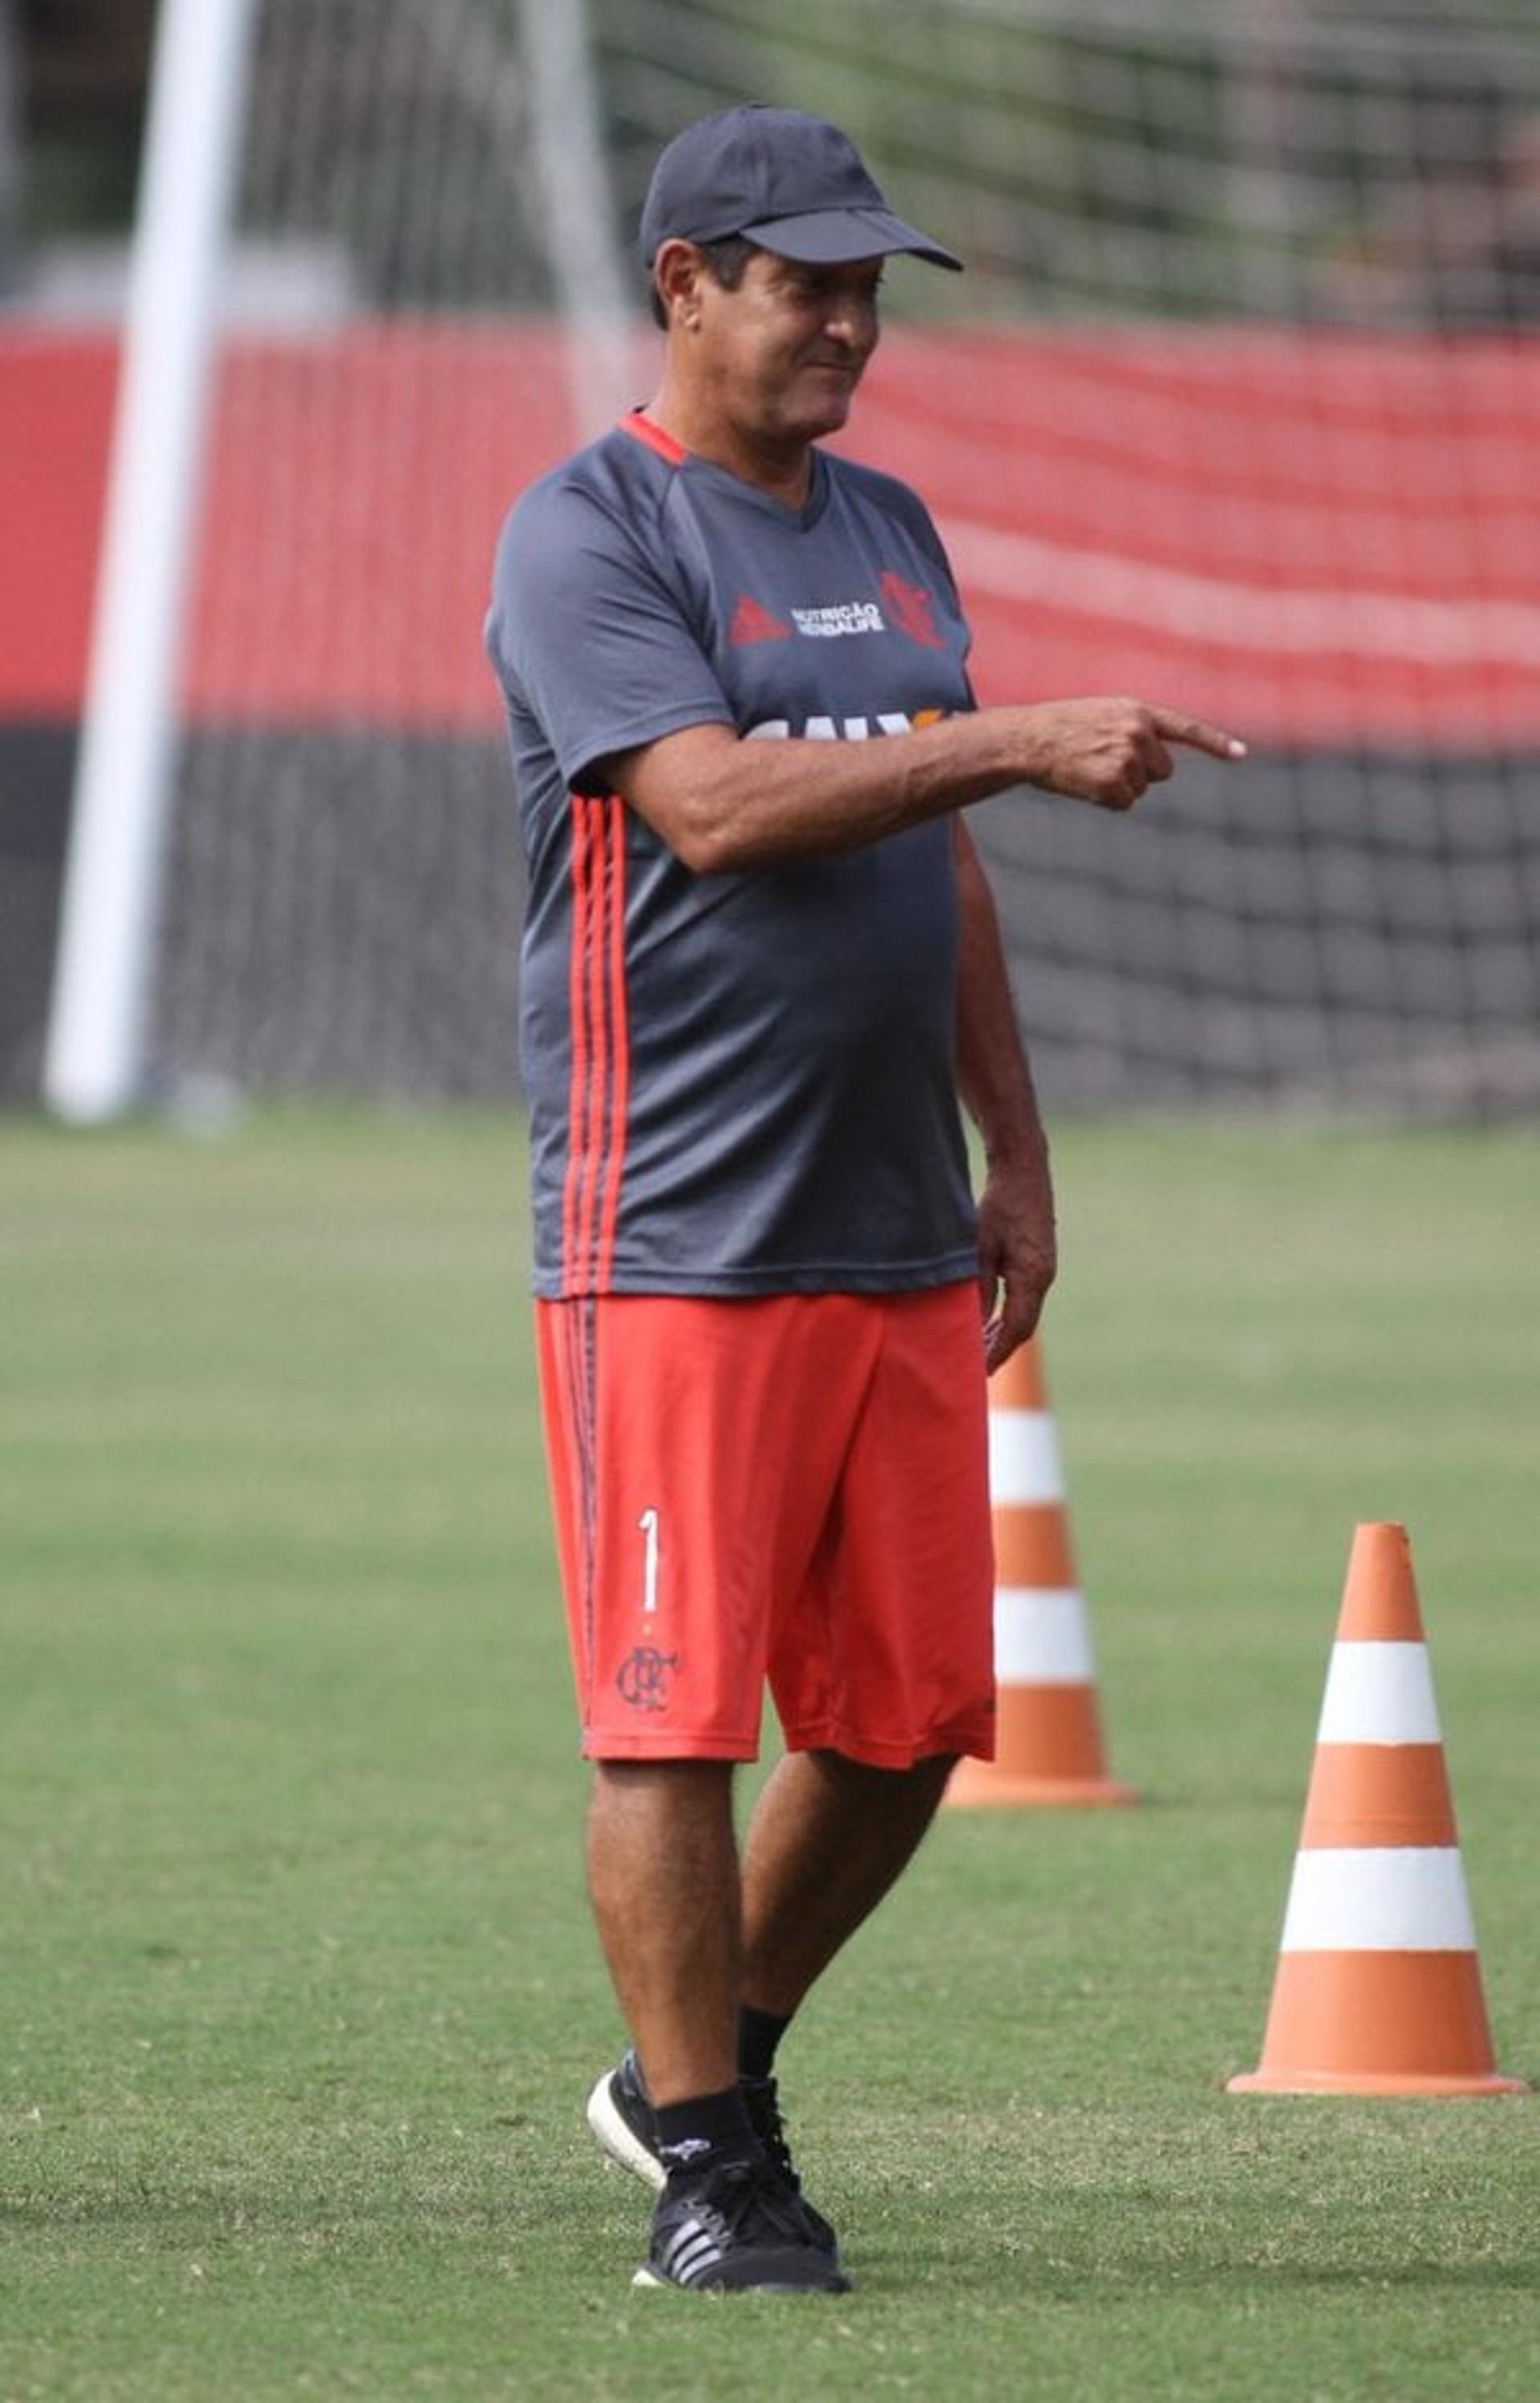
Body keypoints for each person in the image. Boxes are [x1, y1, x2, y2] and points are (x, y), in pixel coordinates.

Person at [484, 102, 1245, 2296]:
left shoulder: (894, 523)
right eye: (802, 278)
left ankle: (693, 2060)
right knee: (673, 1716)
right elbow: (712, 807)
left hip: (901, 1224)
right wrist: (1010, 733)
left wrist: (1015, 1146)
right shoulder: (588, 533)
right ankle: (715, 2167)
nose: (846, 319)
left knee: (911, 1727)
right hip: (674, 1239)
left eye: (867, 282)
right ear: (683, 287)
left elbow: (939, 856)